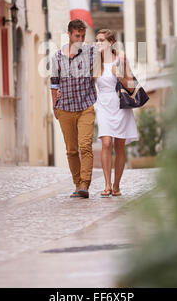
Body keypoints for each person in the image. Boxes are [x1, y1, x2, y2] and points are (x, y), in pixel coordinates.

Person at [50, 19, 96, 199]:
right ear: (69, 34)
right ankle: (77, 183)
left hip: (86, 106)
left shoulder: (91, 53)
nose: (81, 39)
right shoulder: (57, 57)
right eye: (77, 36)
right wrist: (55, 105)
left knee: (85, 145)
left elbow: (107, 52)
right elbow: (54, 84)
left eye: (83, 36)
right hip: (65, 108)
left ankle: (85, 183)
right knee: (71, 150)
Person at [94, 29, 138, 197]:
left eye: (102, 40)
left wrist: (119, 76)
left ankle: (116, 185)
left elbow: (132, 86)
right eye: (97, 40)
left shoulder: (121, 60)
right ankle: (106, 184)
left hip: (119, 104)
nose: (98, 43)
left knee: (119, 146)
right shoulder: (95, 62)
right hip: (103, 105)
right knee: (106, 143)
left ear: (111, 42)